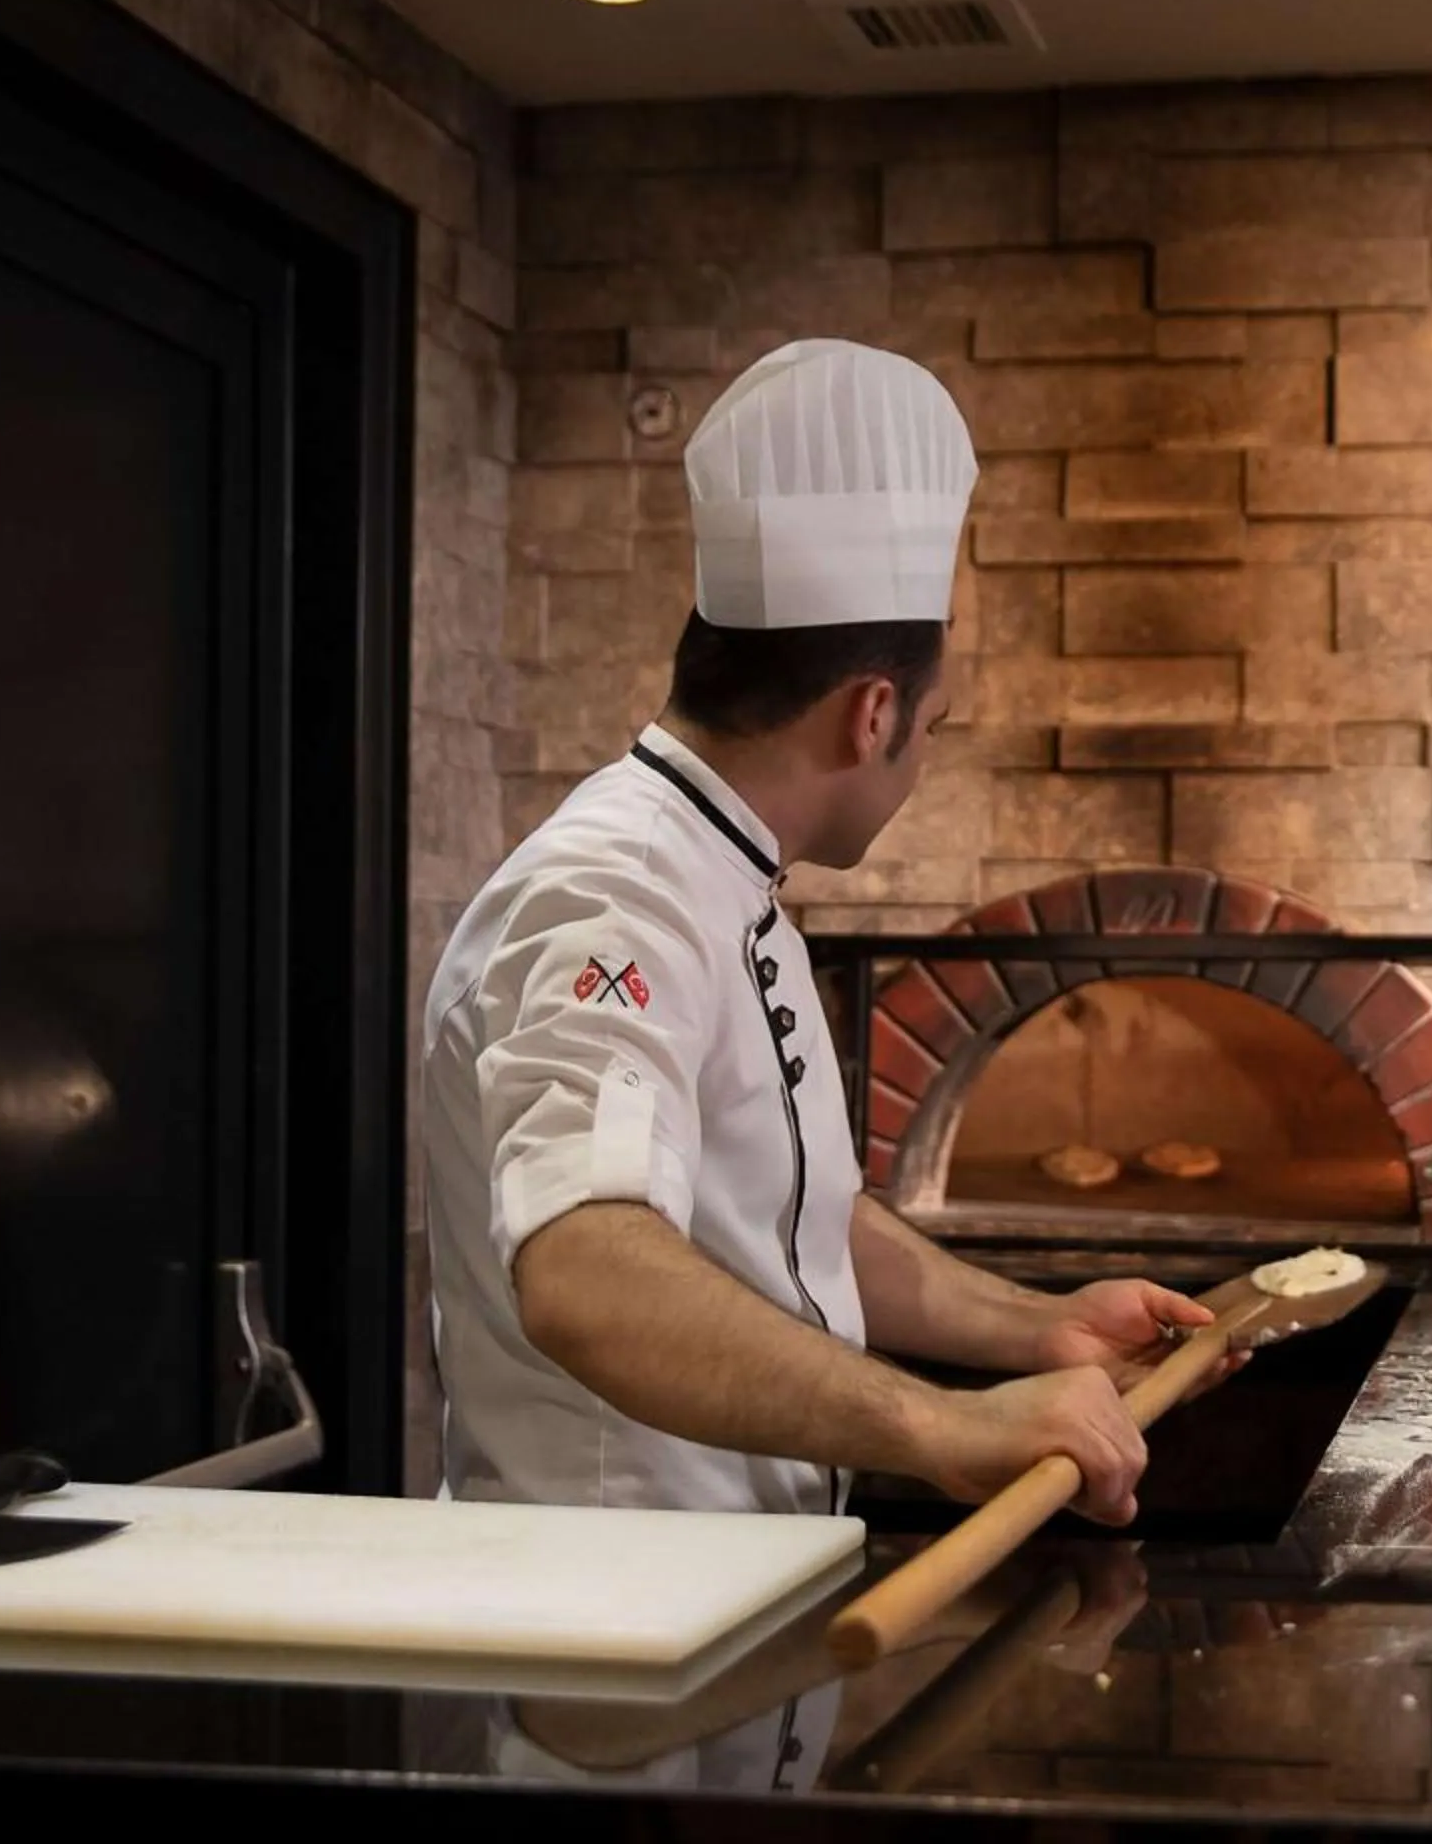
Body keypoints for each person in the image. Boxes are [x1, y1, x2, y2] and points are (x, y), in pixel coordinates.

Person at [423, 338, 1232, 1529]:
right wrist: (940, 1425)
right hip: (606, 1616)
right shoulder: (616, 890)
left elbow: (783, 1210)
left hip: (725, 1602)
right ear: (874, 713)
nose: (922, 760)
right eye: (936, 729)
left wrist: (1029, 1324)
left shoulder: (724, 871)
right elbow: (585, 1271)